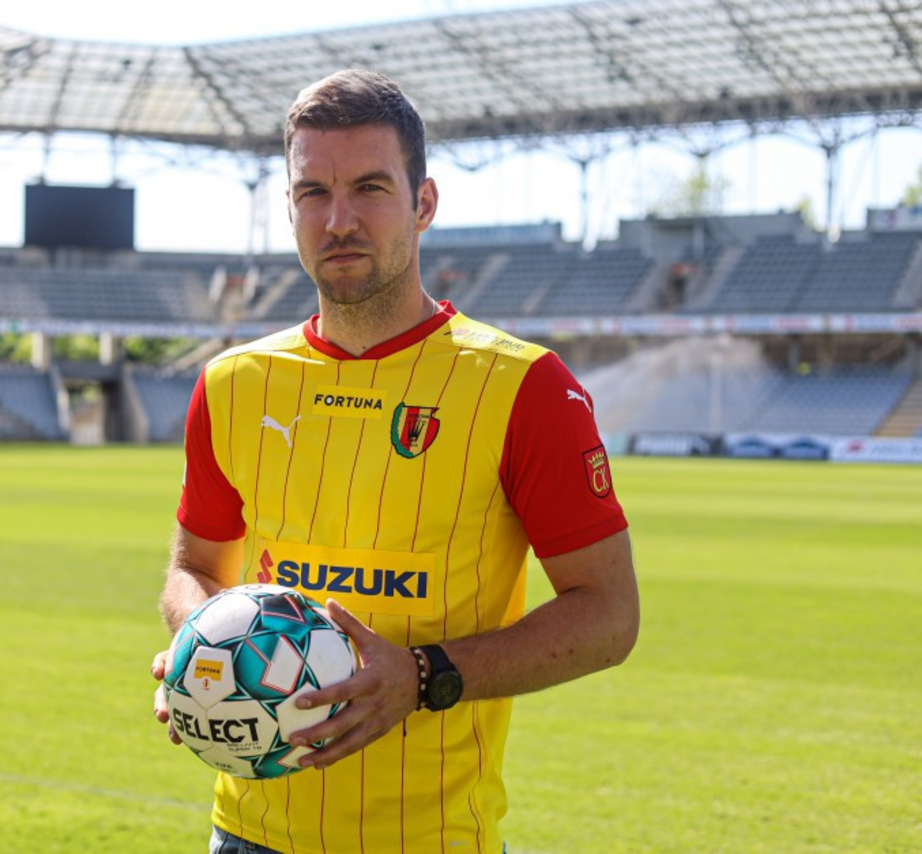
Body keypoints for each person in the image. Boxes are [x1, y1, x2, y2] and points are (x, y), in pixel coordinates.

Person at [151, 68, 640, 854]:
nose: (338, 219)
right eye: (313, 192)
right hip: (244, 833)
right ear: (290, 209)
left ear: (424, 203)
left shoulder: (524, 387)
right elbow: (194, 569)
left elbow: (609, 616)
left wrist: (421, 675)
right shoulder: (231, 384)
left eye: (370, 188)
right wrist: (201, 647)